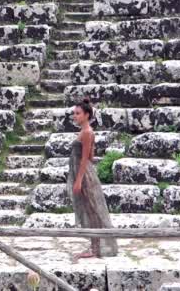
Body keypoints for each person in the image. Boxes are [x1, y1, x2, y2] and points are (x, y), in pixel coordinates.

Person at [67, 98, 118, 259]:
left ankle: (95, 249)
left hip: (84, 175)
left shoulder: (87, 132)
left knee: (92, 211)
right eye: (74, 113)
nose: (74, 116)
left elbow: (85, 159)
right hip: (83, 173)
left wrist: (79, 180)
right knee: (90, 210)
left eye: (78, 113)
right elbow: (91, 155)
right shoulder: (84, 132)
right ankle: (94, 246)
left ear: (87, 114)